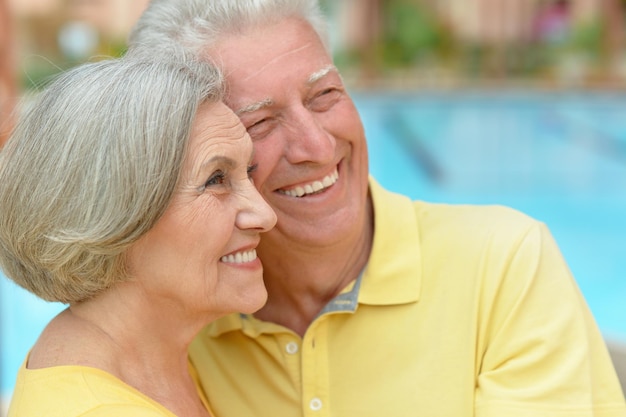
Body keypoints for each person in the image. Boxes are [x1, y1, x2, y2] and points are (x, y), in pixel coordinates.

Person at [128, 1, 626, 415]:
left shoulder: (506, 264)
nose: (317, 146)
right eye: (259, 123)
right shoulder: (178, 320)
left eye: (324, 95)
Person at [0, 53, 276, 417]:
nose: (265, 215)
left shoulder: (144, 361)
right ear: (112, 214)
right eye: (215, 180)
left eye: (248, 172)